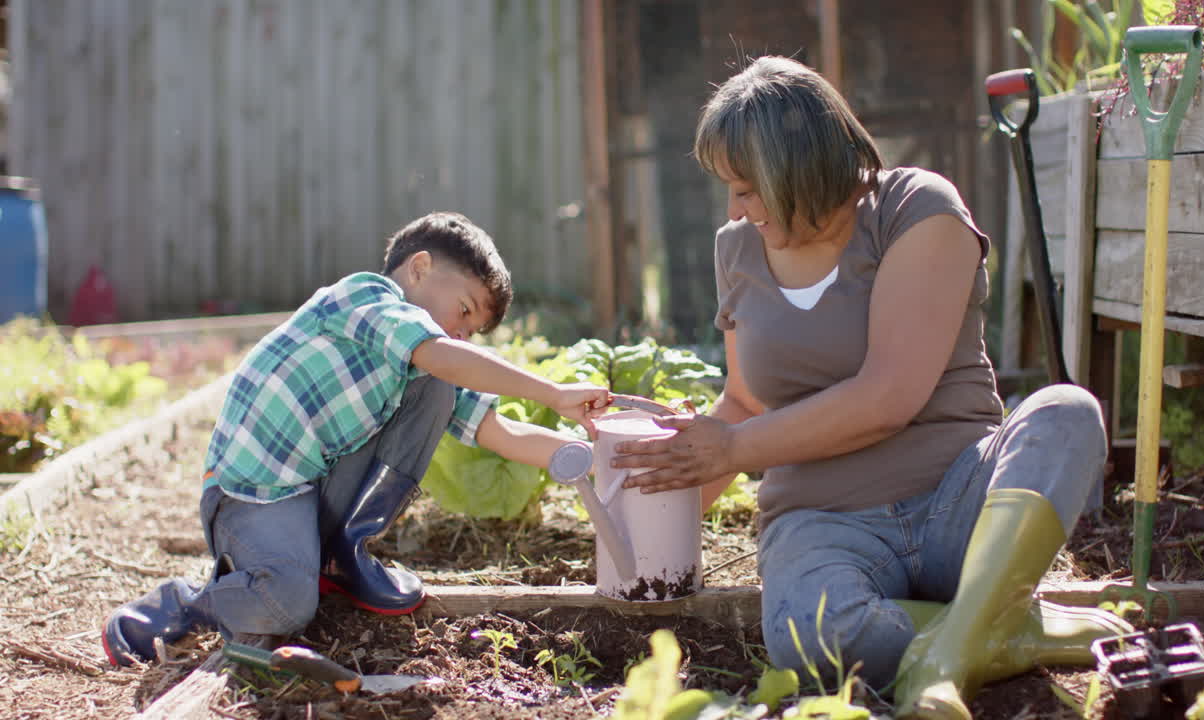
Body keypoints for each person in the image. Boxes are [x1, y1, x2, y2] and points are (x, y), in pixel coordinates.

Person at [611, 56, 1132, 720]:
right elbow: (744, 402)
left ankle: (945, 659)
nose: (734, 207)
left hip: (958, 499)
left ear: (798, 168)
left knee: (1066, 413)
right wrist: (656, 498)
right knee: (807, 633)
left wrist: (736, 447)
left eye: (746, 187)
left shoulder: (914, 208)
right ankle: (1005, 630)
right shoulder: (737, 248)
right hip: (821, 523)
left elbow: (890, 395)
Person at [102, 211, 610, 665]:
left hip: (313, 491)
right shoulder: (361, 297)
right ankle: (186, 602)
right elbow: (438, 351)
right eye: (464, 311)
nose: (462, 335)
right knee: (287, 604)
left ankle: (345, 552)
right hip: (252, 496)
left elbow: (500, 431)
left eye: (473, 332)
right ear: (419, 268)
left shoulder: (432, 359)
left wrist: (600, 456)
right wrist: (553, 390)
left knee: (441, 380)